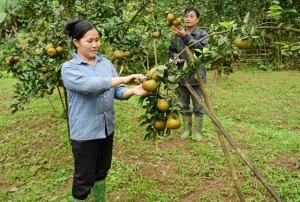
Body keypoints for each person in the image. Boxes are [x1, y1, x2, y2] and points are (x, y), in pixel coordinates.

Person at [61, 19, 149, 202]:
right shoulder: (69, 68)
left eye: (97, 40)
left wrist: (133, 90)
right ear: (76, 42)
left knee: (102, 170)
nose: (95, 45)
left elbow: (117, 91)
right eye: (89, 41)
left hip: (106, 128)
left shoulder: (105, 63)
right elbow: (90, 86)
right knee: (84, 178)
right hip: (85, 132)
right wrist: (125, 78)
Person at [168, 8, 209, 142]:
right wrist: (174, 56)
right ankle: (187, 129)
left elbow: (202, 51)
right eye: (186, 16)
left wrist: (185, 37)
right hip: (181, 77)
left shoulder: (202, 34)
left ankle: (197, 131)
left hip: (197, 77)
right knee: (183, 105)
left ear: (197, 19)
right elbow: (172, 51)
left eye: (191, 16)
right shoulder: (177, 35)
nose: (188, 18)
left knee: (198, 106)